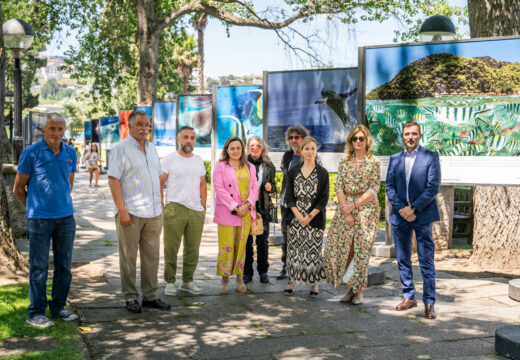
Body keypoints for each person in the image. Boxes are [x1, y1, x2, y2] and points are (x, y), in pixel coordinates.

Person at [13, 113, 78, 328]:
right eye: (52, 129)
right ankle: (36, 313)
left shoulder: (70, 152)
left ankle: (58, 307)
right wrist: (33, 210)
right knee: (39, 267)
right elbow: (18, 188)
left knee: (64, 266)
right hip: (40, 220)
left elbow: (69, 184)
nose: (57, 133)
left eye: (61, 129)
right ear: (44, 130)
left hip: (66, 219)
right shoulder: (30, 153)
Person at [108, 110, 170, 313]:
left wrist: (160, 204)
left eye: (147, 124)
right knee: (128, 257)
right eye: (140, 124)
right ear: (130, 126)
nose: (144, 128)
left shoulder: (152, 149)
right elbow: (113, 179)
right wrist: (121, 210)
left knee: (152, 257)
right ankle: (131, 297)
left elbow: (158, 177)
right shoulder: (120, 149)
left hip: (153, 212)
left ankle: (150, 296)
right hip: (131, 212)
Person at [385, 120, 441, 320]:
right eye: (407, 134)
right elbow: (389, 187)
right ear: (403, 136)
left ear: (419, 135)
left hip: (422, 214)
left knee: (426, 259)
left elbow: (433, 187)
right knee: (403, 258)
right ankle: (408, 296)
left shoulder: (430, 157)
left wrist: (414, 208)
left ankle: (429, 302)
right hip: (401, 216)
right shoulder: (395, 159)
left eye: (414, 134)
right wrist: (402, 210)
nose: (410, 137)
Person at [323, 125, 381, 305]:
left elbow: (373, 188)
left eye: (361, 139)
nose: (357, 142)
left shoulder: (374, 162)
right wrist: (345, 208)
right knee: (343, 249)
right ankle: (349, 286)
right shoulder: (344, 162)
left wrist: (353, 206)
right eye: (354, 139)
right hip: (345, 207)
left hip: (366, 209)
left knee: (361, 250)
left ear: (367, 141)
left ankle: (358, 291)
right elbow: (338, 186)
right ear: (350, 141)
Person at [160, 126, 207, 296]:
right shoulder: (169, 159)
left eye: (192, 138)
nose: (189, 141)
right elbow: (160, 182)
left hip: (195, 210)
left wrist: (203, 205)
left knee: (193, 249)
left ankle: (187, 281)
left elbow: (202, 183)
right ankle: (170, 281)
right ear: (178, 139)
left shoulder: (198, 160)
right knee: (171, 248)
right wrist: (162, 203)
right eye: (185, 137)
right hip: (175, 208)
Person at [284, 136, 328, 297]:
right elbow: (289, 197)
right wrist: (298, 215)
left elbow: (323, 198)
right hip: (295, 217)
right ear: (301, 151)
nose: (310, 151)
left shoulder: (322, 173)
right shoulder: (293, 171)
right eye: (307, 148)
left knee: (313, 252)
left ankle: (313, 284)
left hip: (314, 218)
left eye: (313, 148)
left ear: (316, 151)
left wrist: (309, 216)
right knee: (295, 250)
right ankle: (292, 281)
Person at [213, 137, 259, 294]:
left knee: (241, 247)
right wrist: (235, 206)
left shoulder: (250, 167)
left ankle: (239, 276)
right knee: (226, 246)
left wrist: (247, 205)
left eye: (238, 148)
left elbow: (254, 188)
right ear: (226, 150)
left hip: (245, 213)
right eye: (232, 148)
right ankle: (224, 278)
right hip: (227, 212)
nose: (235, 151)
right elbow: (219, 189)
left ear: (242, 149)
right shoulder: (220, 167)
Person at [276, 125, 310, 280]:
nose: (294, 140)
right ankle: (286, 267)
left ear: (303, 138)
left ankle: (303, 268)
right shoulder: (287, 156)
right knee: (286, 237)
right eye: (291, 137)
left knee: (304, 237)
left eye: (297, 137)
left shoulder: (310, 154)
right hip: (287, 204)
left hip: (305, 205)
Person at [243, 136, 277, 284]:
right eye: (252, 146)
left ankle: (263, 271)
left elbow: (274, 186)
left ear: (262, 148)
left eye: (257, 145)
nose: (255, 148)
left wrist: (271, 187)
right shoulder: (242, 164)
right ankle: (247, 272)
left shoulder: (269, 165)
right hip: (246, 207)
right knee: (246, 241)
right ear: (248, 148)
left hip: (263, 207)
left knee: (263, 241)